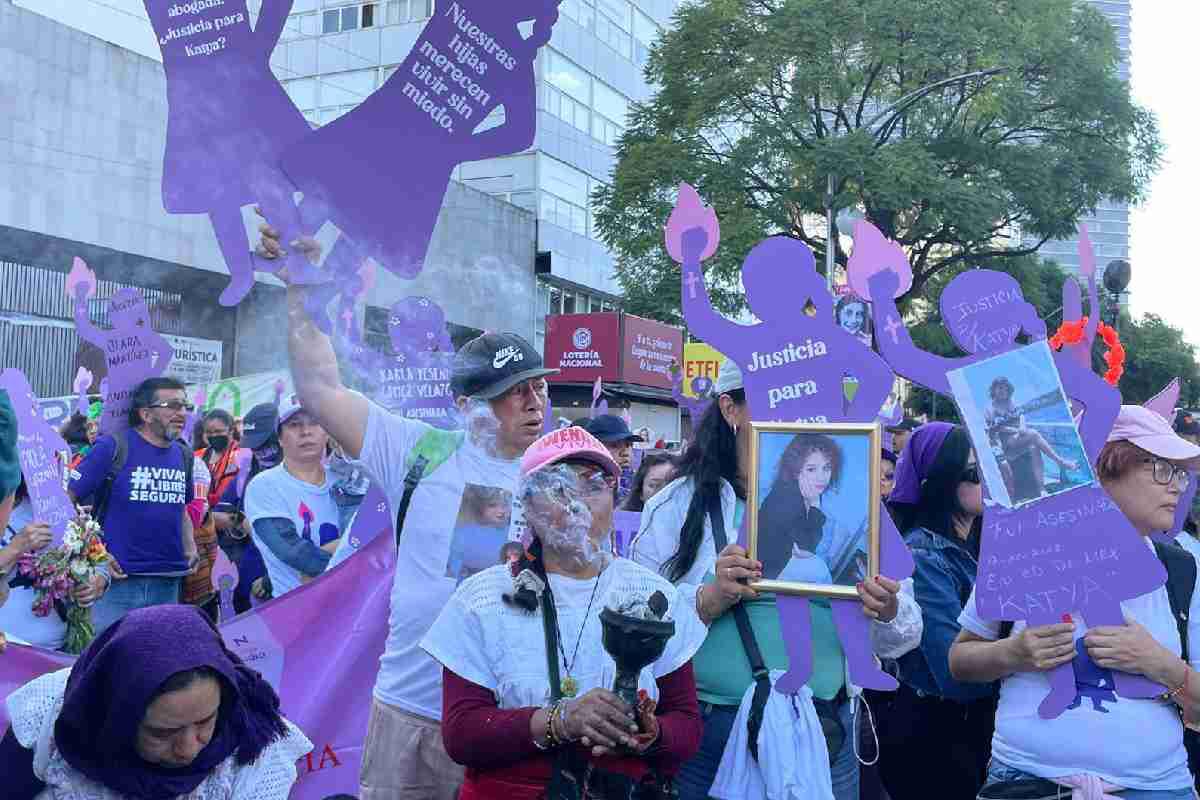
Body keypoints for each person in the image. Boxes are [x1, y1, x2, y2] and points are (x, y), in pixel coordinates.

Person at [267, 217, 561, 800]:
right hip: (414, 713)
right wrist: (300, 299)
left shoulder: (561, 474)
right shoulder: (418, 452)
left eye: (539, 386)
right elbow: (321, 390)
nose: (534, 401)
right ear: (466, 404)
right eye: (514, 390)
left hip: (514, 720)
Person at [629, 362, 921, 800]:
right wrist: (707, 599)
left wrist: (888, 607)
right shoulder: (678, 505)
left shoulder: (856, 512)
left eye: (810, 400)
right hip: (713, 732)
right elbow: (635, 624)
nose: (798, 415)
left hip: (826, 731)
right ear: (732, 409)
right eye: (781, 400)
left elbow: (906, 631)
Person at [421, 427, 704, 798]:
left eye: (593, 487)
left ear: (614, 500)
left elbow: (687, 724)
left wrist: (649, 733)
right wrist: (560, 721)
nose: (577, 504)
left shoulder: (651, 595)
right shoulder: (484, 598)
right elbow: (461, 734)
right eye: (558, 489)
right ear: (528, 508)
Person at [950, 404, 1200, 798]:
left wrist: (1158, 663)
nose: (1177, 486)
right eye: (1162, 468)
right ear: (1102, 468)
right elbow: (960, 660)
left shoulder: (1187, 570)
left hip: (1155, 788)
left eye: (1181, 474)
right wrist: (1014, 653)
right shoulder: (1023, 552)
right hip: (1026, 784)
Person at [2, 605, 313, 799]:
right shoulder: (48, 711)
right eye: (162, 733)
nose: (190, 748)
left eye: (206, 722)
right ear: (115, 715)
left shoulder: (255, 755)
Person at [875, 423, 996, 800]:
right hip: (937, 733)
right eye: (974, 473)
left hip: (974, 726)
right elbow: (952, 670)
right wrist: (1024, 663)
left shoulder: (986, 544)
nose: (987, 481)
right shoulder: (923, 556)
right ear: (940, 480)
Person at [68, 376, 198, 634]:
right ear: (146, 414)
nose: (181, 413)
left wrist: (189, 543)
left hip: (168, 580)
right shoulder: (113, 447)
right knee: (107, 663)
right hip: (117, 582)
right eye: (172, 405)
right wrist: (97, 554)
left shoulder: (184, 454)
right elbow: (66, 499)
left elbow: (180, 507)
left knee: (155, 663)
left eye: (185, 406)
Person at [243, 397, 342, 599]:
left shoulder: (347, 481)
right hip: (297, 611)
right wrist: (351, 566)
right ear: (279, 438)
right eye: (294, 425)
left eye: (315, 422)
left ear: (326, 433)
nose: (306, 432)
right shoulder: (264, 486)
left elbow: (373, 541)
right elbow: (293, 552)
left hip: (353, 607)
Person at [0, 480, 110, 650]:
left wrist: (99, 579)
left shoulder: (49, 506)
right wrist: (16, 548)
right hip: (7, 649)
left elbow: (98, 555)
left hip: (55, 649)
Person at [757, 433, 864, 587]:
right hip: (768, 581)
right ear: (795, 470)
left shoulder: (796, 492)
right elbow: (806, 548)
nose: (821, 477)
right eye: (811, 469)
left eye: (826, 468)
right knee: (817, 571)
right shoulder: (787, 498)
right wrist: (814, 505)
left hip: (775, 575)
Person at [214, 402, 279, 612]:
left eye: (266, 442)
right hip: (247, 575)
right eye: (254, 445)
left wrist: (272, 579)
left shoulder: (313, 473)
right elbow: (220, 512)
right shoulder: (246, 471)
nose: (260, 451)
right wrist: (238, 520)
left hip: (285, 584)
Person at [984, 376, 1078, 502]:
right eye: (999, 388)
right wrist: (1018, 430)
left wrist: (1022, 427)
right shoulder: (990, 409)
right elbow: (997, 429)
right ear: (993, 390)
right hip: (1007, 444)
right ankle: (1061, 462)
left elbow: (1021, 415)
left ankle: (1041, 489)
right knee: (1033, 434)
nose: (1002, 391)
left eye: (1005, 388)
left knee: (1034, 447)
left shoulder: (1011, 402)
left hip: (1020, 438)